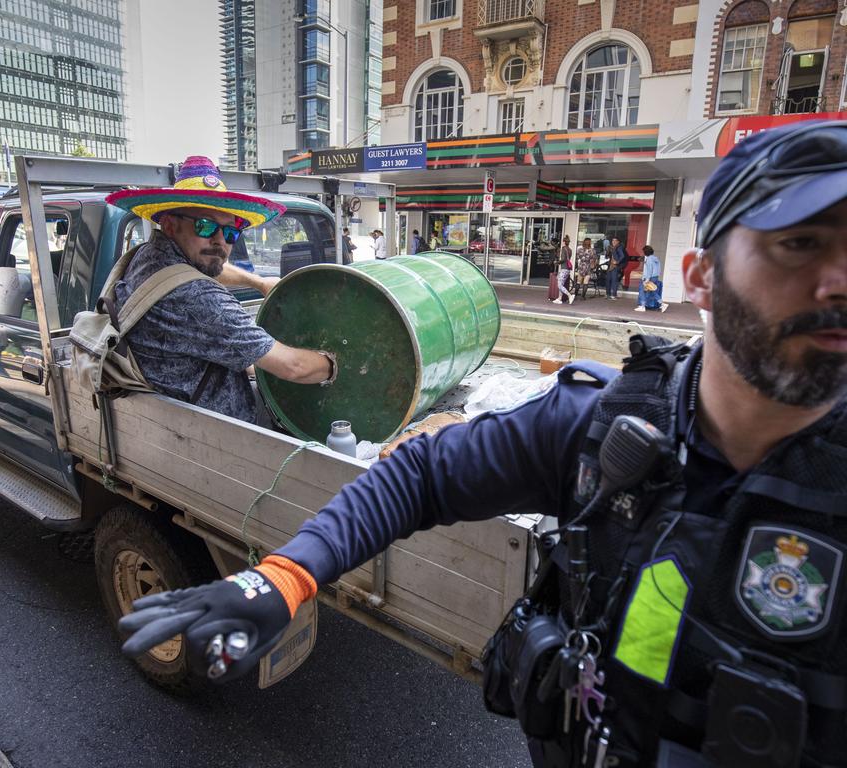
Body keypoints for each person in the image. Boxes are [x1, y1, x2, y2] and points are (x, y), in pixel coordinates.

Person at [118, 122, 847, 767]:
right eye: (799, 244)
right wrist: (285, 577)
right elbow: (417, 478)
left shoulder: (156, 272)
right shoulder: (607, 425)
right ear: (701, 278)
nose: (837, 280)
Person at [105, 156, 336, 425]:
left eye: (230, 233)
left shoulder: (149, 257)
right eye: (206, 226)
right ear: (170, 224)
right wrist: (336, 364)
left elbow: (205, 265)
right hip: (209, 430)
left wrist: (258, 283)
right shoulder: (198, 299)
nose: (219, 242)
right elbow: (293, 367)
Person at [634, 245, 668, 313]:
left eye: (643, 251)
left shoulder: (649, 259)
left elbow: (649, 270)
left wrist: (647, 279)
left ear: (645, 252)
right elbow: (658, 269)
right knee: (653, 291)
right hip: (655, 277)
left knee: (642, 290)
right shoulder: (656, 258)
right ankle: (662, 304)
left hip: (649, 277)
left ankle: (642, 306)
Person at [605, 236, 628, 300]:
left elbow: (622, 256)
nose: (613, 242)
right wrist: (607, 251)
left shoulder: (619, 247)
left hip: (615, 266)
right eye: (612, 241)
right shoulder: (612, 247)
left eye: (615, 241)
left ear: (618, 242)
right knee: (608, 280)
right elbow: (607, 256)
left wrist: (617, 262)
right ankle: (608, 294)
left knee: (614, 280)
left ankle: (613, 295)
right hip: (611, 265)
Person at [553, 235, 574, 305]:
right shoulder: (570, 250)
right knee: (561, 283)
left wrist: (557, 262)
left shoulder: (563, 248)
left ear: (563, 242)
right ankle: (559, 298)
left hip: (564, 268)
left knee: (559, 285)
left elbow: (563, 259)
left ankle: (569, 296)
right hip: (568, 269)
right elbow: (567, 259)